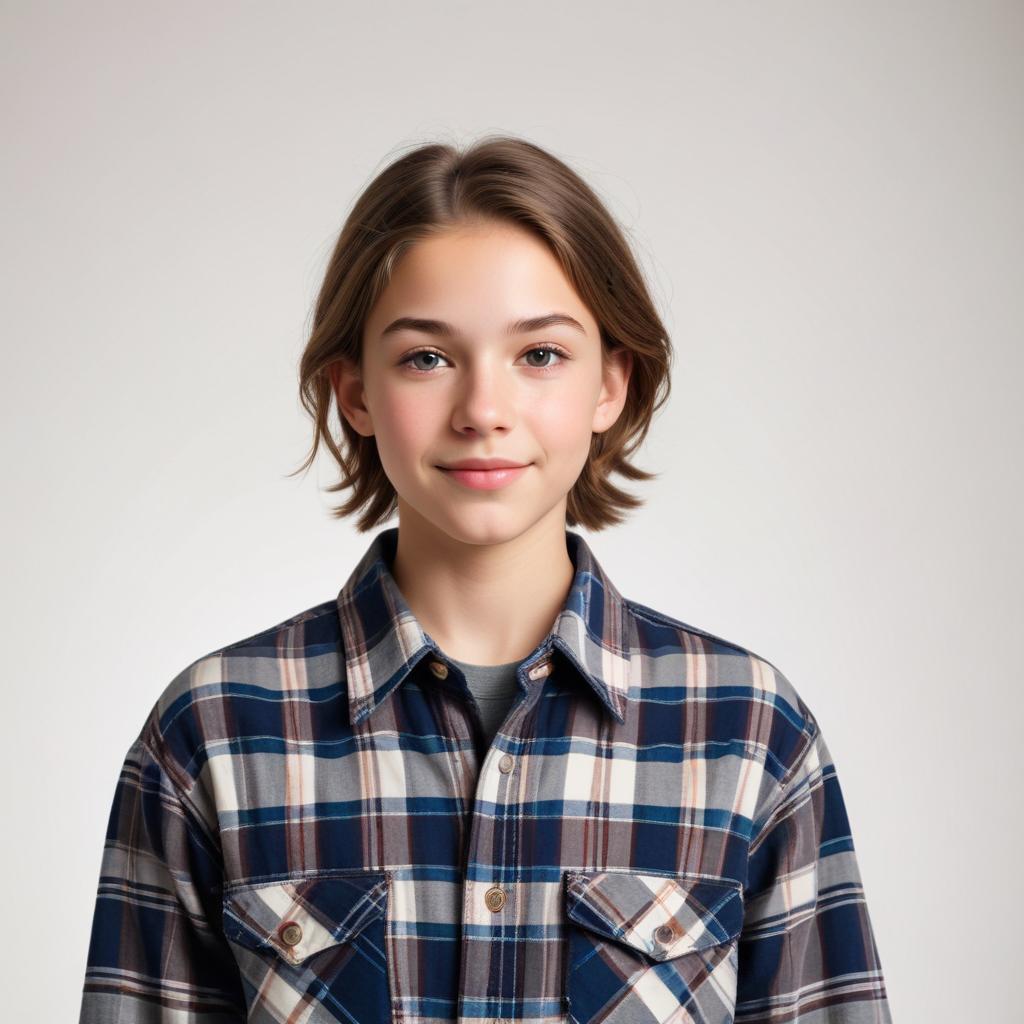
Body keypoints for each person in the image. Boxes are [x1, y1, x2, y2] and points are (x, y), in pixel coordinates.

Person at [79, 135, 892, 1023]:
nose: (482, 412)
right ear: (354, 392)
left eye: (539, 355)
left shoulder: (747, 732)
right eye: (426, 357)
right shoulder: (211, 734)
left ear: (610, 385)